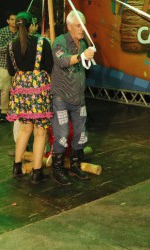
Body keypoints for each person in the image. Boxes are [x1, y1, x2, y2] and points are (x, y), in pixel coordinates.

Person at [6, 12, 54, 184]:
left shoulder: (11, 45)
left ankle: (17, 167)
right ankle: (36, 172)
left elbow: (11, 71)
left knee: (25, 129)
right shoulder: (42, 42)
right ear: (30, 25)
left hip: (21, 91)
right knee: (40, 132)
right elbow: (49, 66)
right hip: (38, 90)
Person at [50, 11, 95, 185]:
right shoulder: (60, 42)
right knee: (62, 135)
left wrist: (87, 58)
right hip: (61, 98)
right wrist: (81, 57)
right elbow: (62, 61)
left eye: (83, 25)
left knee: (81, 134)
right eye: (78, 25)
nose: (82, 29)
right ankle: (57, 169)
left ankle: (75, 165)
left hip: (78, 98)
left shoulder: (82, 43)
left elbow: (84, 67)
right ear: (69, 26)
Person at [0, 11, 18, 122]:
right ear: (8, 21)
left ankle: (15, 110)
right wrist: (12, 46)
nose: (14, 22)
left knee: (17, 88)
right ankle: (4, 112)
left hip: (17, 66)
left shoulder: (21, 32)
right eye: (12, 19)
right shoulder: (2, 31)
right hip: (4, 65)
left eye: (16, 19)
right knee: (5, 88)